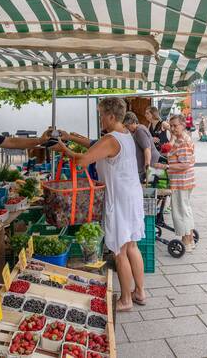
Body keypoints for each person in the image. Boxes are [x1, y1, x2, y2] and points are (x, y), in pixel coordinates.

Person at [56, 98, 145, 312]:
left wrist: (64, 148)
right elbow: (96, 147)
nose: (100, 119)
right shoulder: (125, 134)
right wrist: (71, 138)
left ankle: (125, 299)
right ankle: (140, 292)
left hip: (119, 199)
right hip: (132, 195)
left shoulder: (111, 139)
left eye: (101, 115)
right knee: (132, 245)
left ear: (111, 116)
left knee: (119, 251)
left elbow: (83, 161)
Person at [153, 114, 196, 251]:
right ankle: (189, 239)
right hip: (183, 180)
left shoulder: (183, 141)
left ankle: (186, 241)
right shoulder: (179, 138)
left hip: (181, 181)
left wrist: (166, 167)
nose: (172, 128)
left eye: (175, 125)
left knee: (180, 211)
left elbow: (184, 164)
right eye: (171, 126)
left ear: (183, 125)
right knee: (185, 209)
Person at [122, 112, 160, 182]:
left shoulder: (139, 130)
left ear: (133, 122)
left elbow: (147, 149)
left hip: (151, 163)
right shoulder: (137, 130)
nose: (127, 128)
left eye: (127, 126)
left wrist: (147, 166)